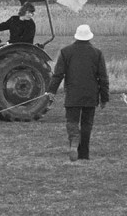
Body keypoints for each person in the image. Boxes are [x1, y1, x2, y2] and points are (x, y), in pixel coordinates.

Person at [46, 24, 110, 162]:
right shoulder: (97, 53)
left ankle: (74, 141)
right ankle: (84, 154)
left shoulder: (65, 52)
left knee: (72, 121)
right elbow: (103, 78)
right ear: (89, 37)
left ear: (76, 35)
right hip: (91, 94)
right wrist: (104, 98)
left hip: (72, 93)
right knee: (87, 124)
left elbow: (58, 75)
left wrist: (51, 92)